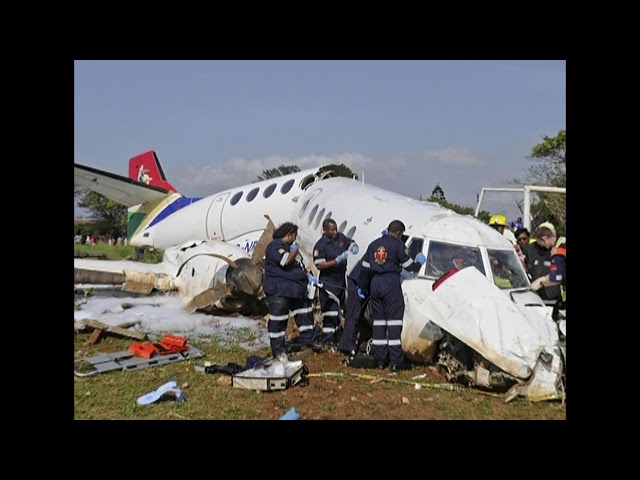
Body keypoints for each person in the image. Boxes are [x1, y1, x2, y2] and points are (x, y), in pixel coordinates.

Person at [356, 220, 426, 371]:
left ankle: (381, 360)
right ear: (399, 233)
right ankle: (396, 362)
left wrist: (363, 287)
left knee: (379, 322)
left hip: (375, 283)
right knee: (394, 322)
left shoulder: (374, 245)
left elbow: (365, 268)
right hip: (390, 282)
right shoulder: (398, 245)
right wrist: (419, 263)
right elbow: (409, 266)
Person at [263, 222, 322, 361]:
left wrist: (308, 277)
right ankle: (279, 351)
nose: (295, 240)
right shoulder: (275, 246)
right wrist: (295, 249)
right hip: (280, 292)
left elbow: (298, 266)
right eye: (294, 236)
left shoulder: (289, 248)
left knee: (305, 316)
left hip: (297, 291)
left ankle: (308, 342)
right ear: (289, 234)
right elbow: (285, 261)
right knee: (279, 321)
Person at [312, 218, 357, 347]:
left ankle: (336, 338)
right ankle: (328, 340)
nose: (335, 232)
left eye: (336, 229)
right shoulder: (320, 245)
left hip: (340, 281)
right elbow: (319, 265)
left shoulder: (340, 238)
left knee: (338, 311)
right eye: (332, 230)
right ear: (325, 230)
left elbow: (350, 242)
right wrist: (336, 261)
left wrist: (353, 246)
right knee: (330, 313)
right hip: (329, 282)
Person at [530, 224, 566, 313]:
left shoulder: (558, 252)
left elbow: (556, 278)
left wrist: (541, 282)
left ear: (544, 237)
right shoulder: (563, 242)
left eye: (540, 243)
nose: (541, 246)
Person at [337, 258, 369, 358]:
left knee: (356, 317)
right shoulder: (377, 251)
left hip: (359, 281)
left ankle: (348, 343)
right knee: (353, 315)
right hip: (357, 282)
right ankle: (346, 346)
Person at [525, 222, 561, 304]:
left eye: (547, 236)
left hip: (553, 298)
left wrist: (542, 281)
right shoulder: (530, 249)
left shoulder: (558, 250)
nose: (544, 239)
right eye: (541, 235)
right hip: (533, 297)